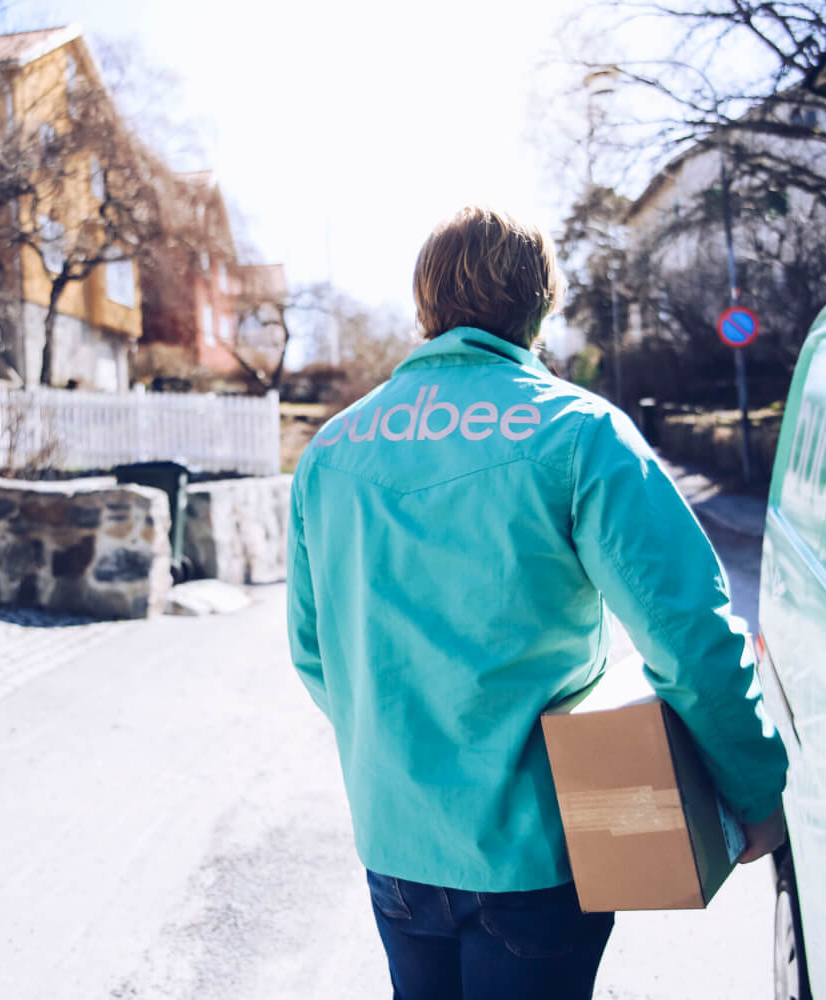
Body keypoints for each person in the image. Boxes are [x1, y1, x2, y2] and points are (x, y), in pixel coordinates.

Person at [285, 206, 789, 1000]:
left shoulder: (332, 448)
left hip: (396, 843)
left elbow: (315, 653)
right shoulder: (580, 432)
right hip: (541, 846)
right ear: (542, 307)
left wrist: (404, 757)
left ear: (426, 307)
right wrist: (755, 788)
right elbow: (687, 634)